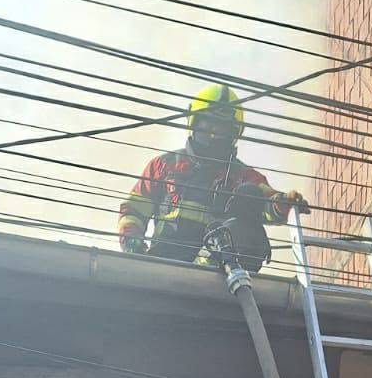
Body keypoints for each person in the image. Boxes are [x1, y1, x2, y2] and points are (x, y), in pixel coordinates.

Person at [117, 82, 308, 273]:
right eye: (208, 123)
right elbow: (134, 210)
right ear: (194, 122)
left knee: (247, 207)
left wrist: (283, 203)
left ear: (233, 132)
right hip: (163, 266)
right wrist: (133, 245)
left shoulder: (242, 176)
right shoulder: (164, 165)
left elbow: (265, 202)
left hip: (213, 270)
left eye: (222, 127)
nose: (214, 132)